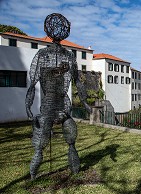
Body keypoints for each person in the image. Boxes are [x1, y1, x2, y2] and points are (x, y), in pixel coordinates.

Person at [25, 13, 91, 179]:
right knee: (40, 144)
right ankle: (33, 174)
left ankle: (75, 170)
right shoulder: (42, 55)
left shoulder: (69, 57)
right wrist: (28, 104)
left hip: (64, 105)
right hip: (48, 107)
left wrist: (84, 102)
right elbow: (33, 83)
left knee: (71, 138)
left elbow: (78, 81)